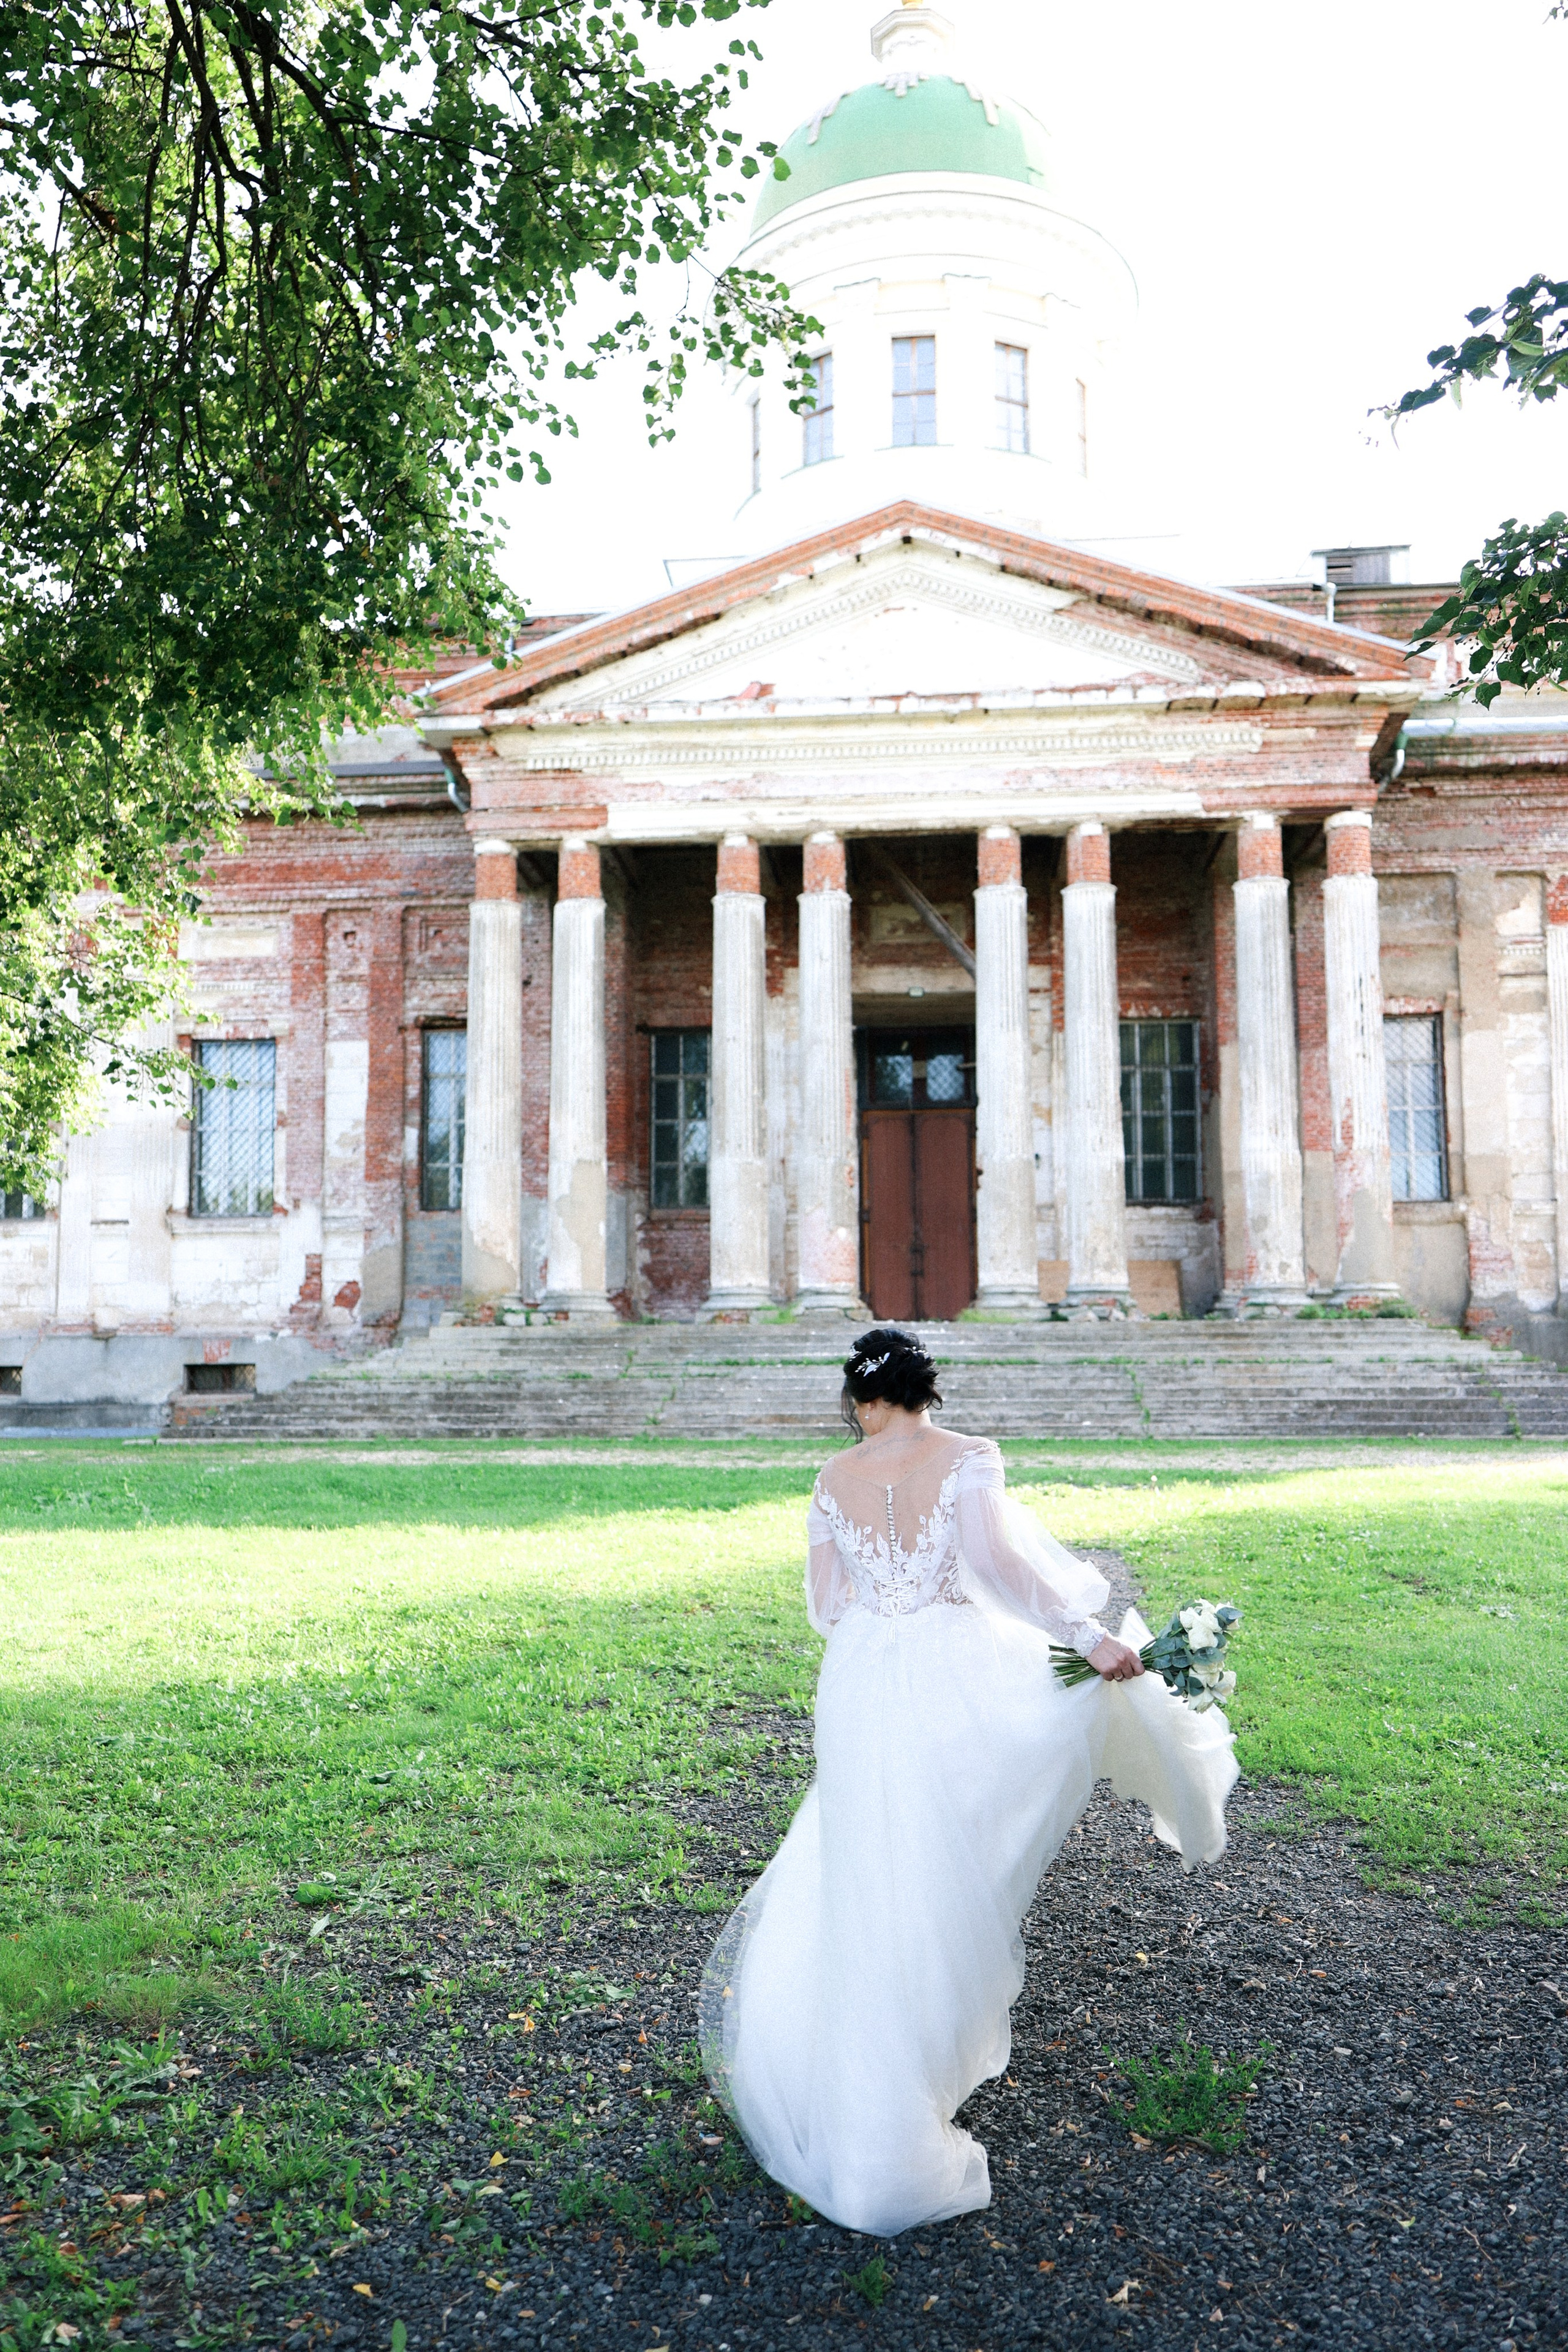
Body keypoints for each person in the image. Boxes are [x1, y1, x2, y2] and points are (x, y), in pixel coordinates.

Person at [698, 1325, 1238, 2238]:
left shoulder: (831, 1477)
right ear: (926, 1390)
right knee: (951, 1846)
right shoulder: (968, 1456)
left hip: (862, 1679)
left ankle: (865, 2070)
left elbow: (829, 1605)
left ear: (861, 1398)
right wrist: (1086, 1635)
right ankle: (916, 2054)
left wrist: (887, 1619)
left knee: (870, 1858)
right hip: (951, 1668)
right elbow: (994, 1566)